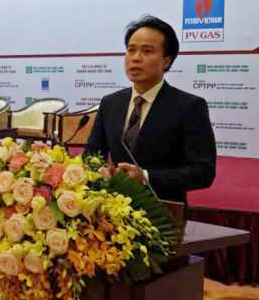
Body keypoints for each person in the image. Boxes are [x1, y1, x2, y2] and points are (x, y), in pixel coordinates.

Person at [85, 15, 216, 204]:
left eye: (147, 51)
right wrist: (99, 170)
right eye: (131, 50)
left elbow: (203, 172)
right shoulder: (110, 103)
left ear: (166, 61)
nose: (136, 58)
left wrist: (146, 177)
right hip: (110, 209)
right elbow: (91, 155)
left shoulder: (189, 106)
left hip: (162, 212)